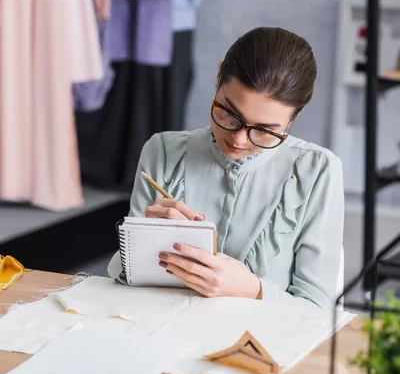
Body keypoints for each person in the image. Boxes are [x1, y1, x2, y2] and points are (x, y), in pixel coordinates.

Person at [108, 27, 344, 308]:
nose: (238, 139)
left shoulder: (318, 171)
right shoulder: (163, 152)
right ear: (219, 75)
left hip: (264, 346)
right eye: (229, 115)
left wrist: (253, 289)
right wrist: (145, 240)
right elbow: (123, 283)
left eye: (265, 131)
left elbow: (318, 312)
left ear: (296, 116)